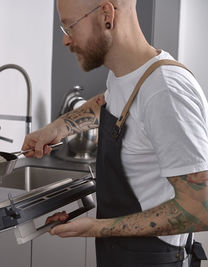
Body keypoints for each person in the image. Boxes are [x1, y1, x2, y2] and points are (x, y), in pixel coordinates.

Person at [21, 0, 208, 266]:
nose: (66, 40)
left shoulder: (165, 92)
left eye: (69, 27)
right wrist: (58, 127)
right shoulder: (129, 75)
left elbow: (200, 210)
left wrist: (96, 228)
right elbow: (111, 101)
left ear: (107, 16)